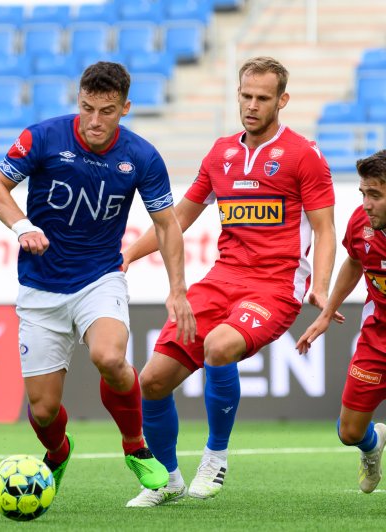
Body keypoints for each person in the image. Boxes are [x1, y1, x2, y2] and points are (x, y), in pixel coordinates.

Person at [121, 56, 337, 507]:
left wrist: (321, 282)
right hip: (221, 280)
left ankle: (215, 458)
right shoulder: (220, 153)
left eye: (263, 98)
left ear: (283, 100)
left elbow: (323, 228)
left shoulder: (303, 155)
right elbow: (176, 217)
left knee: (220, 345)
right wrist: (127, 255)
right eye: (246, 96)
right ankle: (167, 480)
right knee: (153, 380)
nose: (252, 105)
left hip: (275, 287)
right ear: (237, 94)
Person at [0, 61, 195, 496]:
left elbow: (167, 225)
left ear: (125, 108)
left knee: (110, 358)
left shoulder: (141, 156)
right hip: (40, 286)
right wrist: (23, 227)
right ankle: (59, 450)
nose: (95, 121)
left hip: (101, 278)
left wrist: (177, 289)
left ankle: (136, 447)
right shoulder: (41, 137)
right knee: (42, 410)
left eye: (107, 110)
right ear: (77, 100)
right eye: (87, 108)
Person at [297, 151, 386, 494]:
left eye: (375, 195)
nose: (366, 204)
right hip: (377, 335)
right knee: (348, 432)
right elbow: (354, 261)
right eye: (363, 193)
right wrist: (325, 312)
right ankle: (372, 445)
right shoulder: (360, 225)